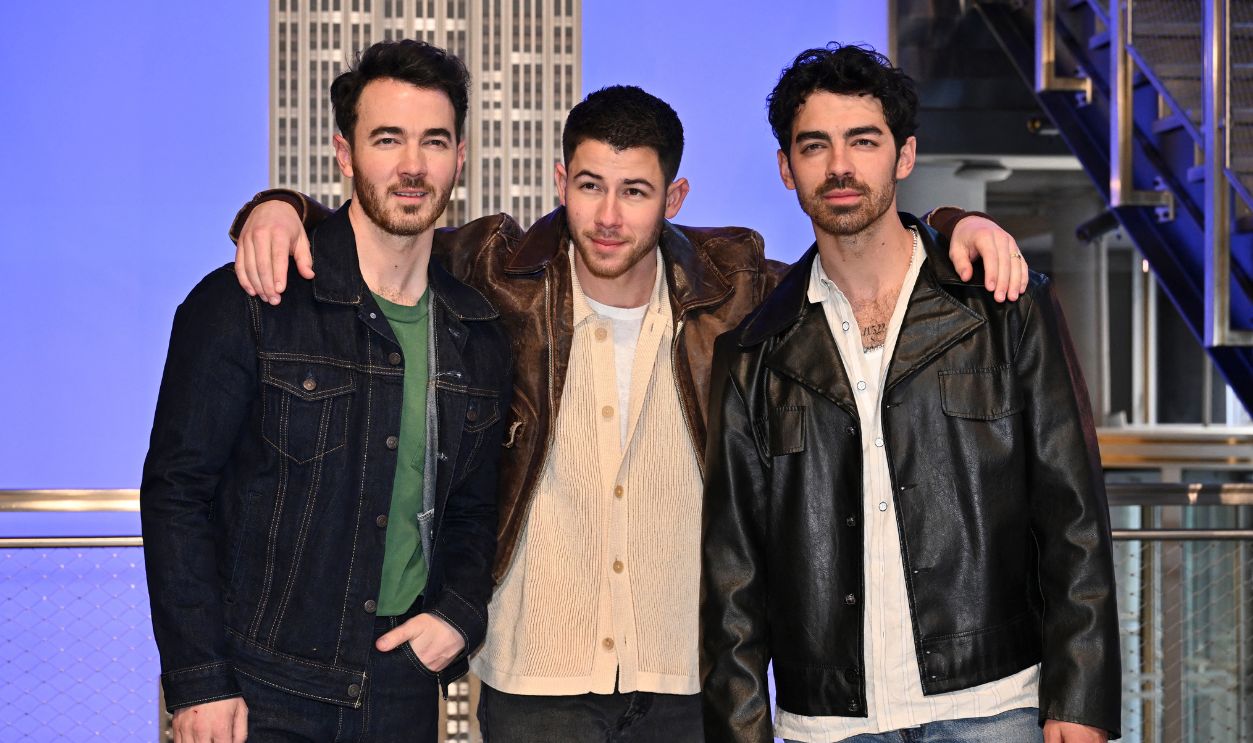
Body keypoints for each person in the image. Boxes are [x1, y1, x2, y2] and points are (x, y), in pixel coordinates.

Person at [228, 82, 1027, 742]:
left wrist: (957, 222)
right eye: (589, 185)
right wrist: (281, 205)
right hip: (533, 670)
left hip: (687, 673)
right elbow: (384, 227)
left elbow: (855, 256)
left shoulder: (734, 282)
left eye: (636, 191)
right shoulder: (496, 270)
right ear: (558, 180)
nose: (609, 215)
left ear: (673, 196)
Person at [700, 44, 1120, 743]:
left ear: (902, 155)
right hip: (828, 723)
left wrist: (1079, 694)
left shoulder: (1001, 308)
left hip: (993, 705)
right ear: (786, 168)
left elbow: (1071, 512)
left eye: (862, 141)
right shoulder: (752, 355)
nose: (839, 166)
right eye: (814, 146)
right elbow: (731, 580)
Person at [141, 40, 512, 743]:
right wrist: (199, 678)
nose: (411, 165)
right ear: (344, 154)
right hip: (259, 689)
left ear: (460, 157)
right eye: (387, 139)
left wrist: (458, 612)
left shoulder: (477, 331)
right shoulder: (249, 301)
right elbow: (177, 493)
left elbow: (472, 509)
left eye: (433, 141)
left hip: (399, 687)